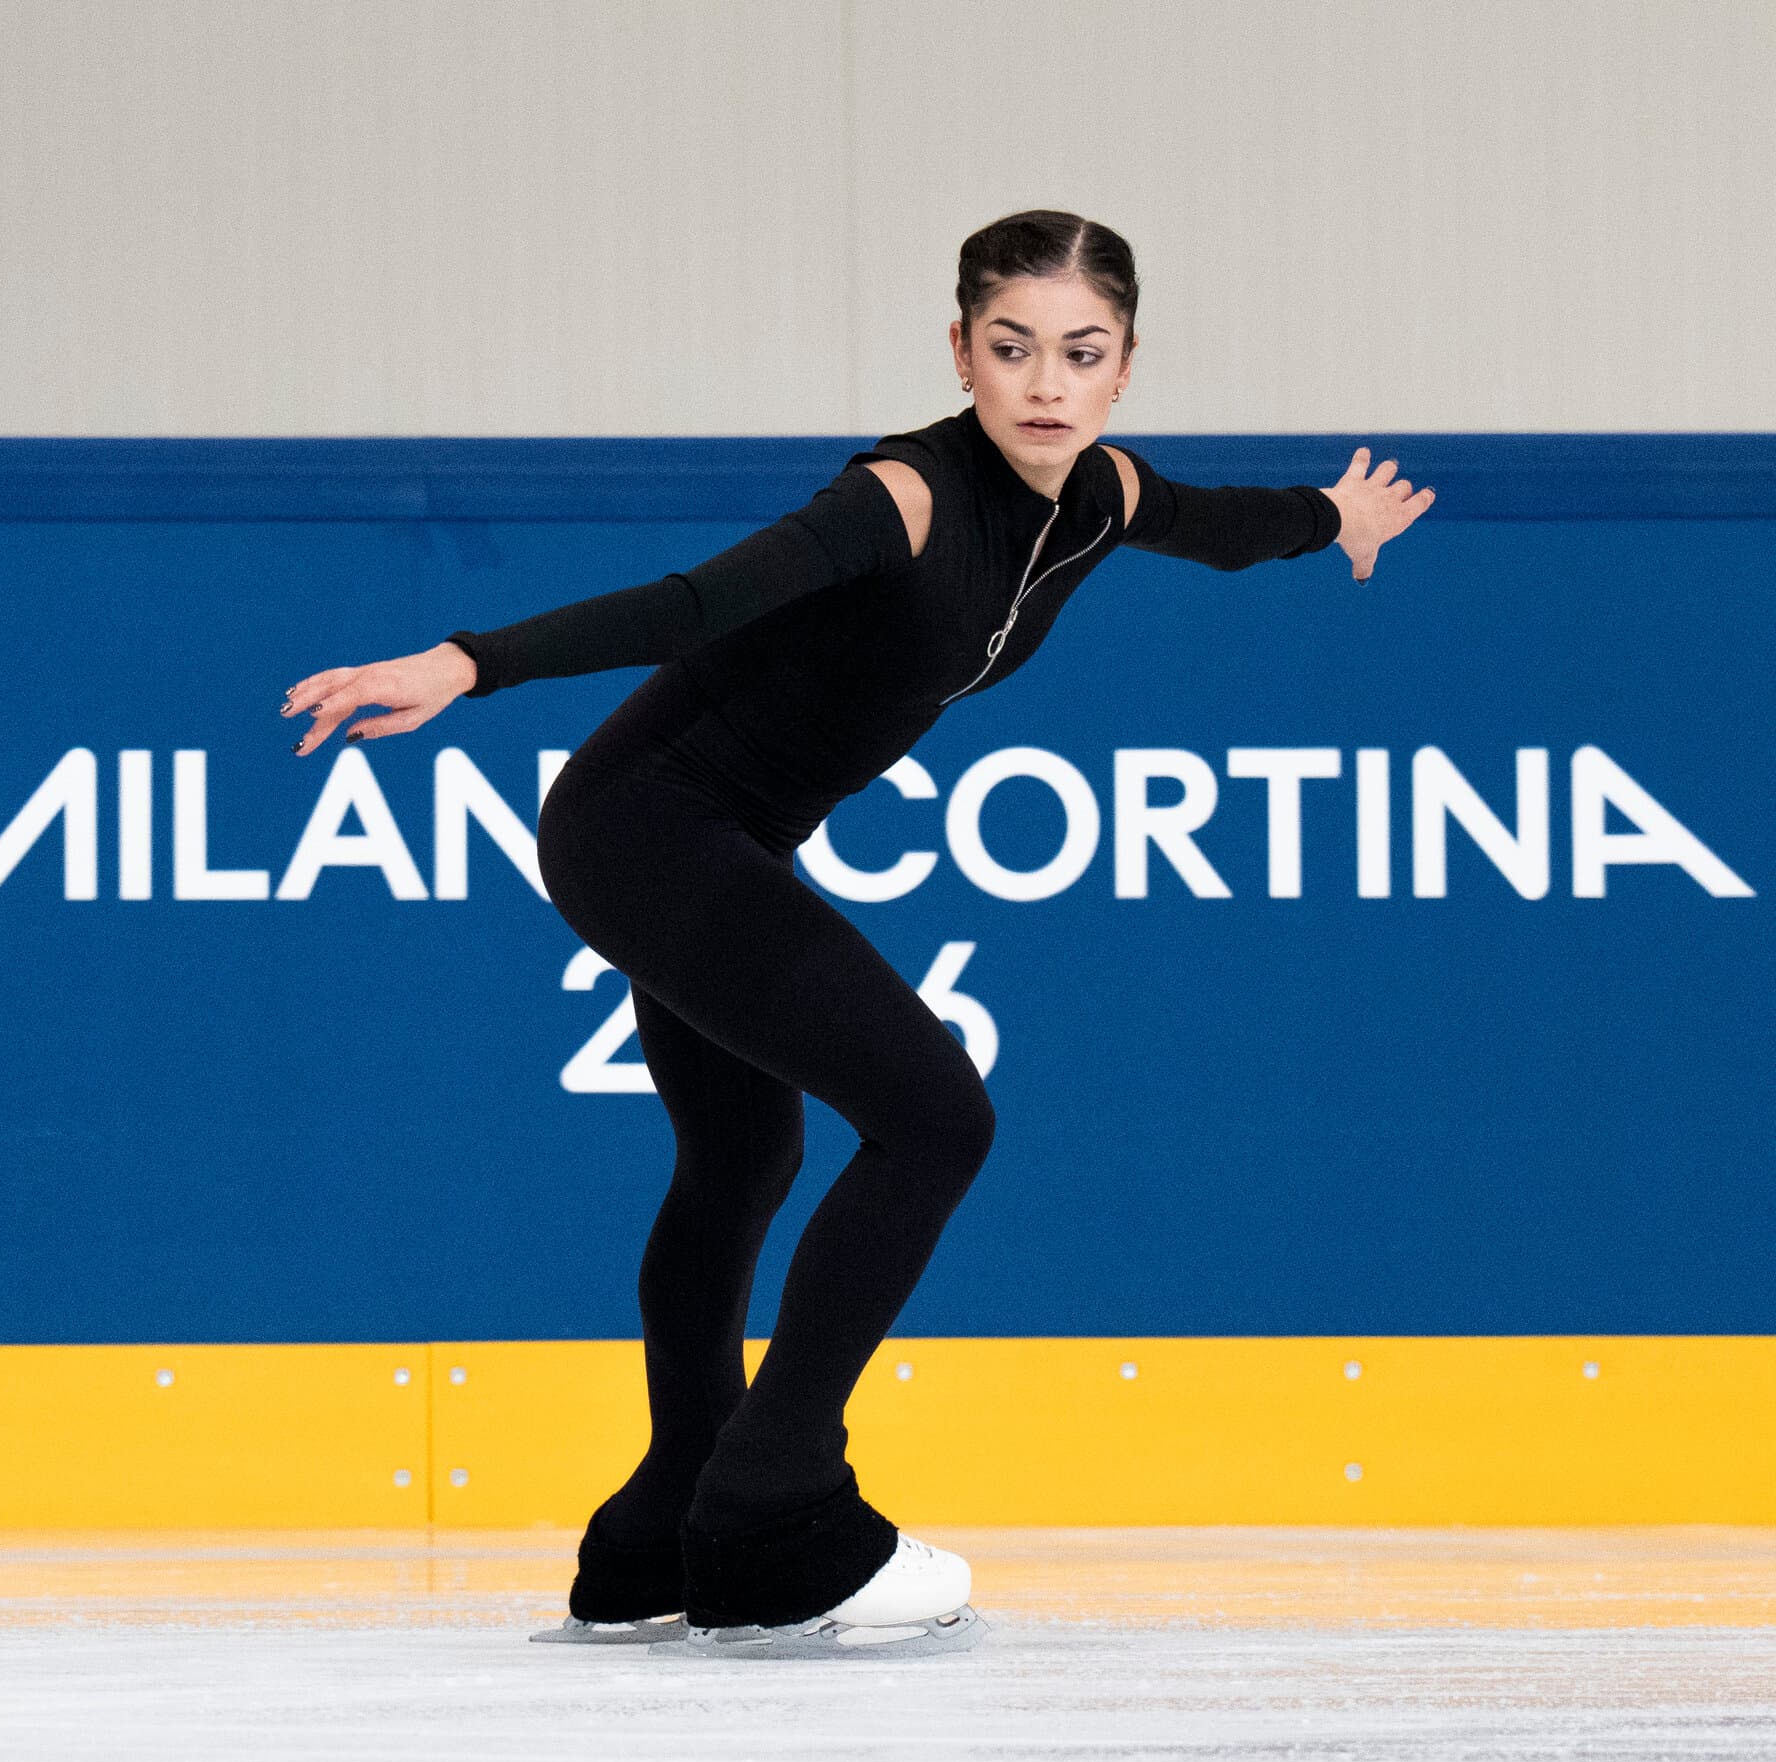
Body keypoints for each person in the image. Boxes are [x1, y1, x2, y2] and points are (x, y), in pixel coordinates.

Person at [279, 210, 1434, 1659]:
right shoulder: (905, 494)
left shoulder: (1103, 496)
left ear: (1126, 371)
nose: (1044, 383)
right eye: (1009, 347)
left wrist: (1340, 519)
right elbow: (695, 604)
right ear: (960, 351)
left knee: (744, 1154)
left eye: (1082, 353)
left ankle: (662, 1524)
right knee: (938, 1116)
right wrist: (468, 661)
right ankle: (772, 1509)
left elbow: (1223, 527)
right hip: (648, 824)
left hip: (703, 836)